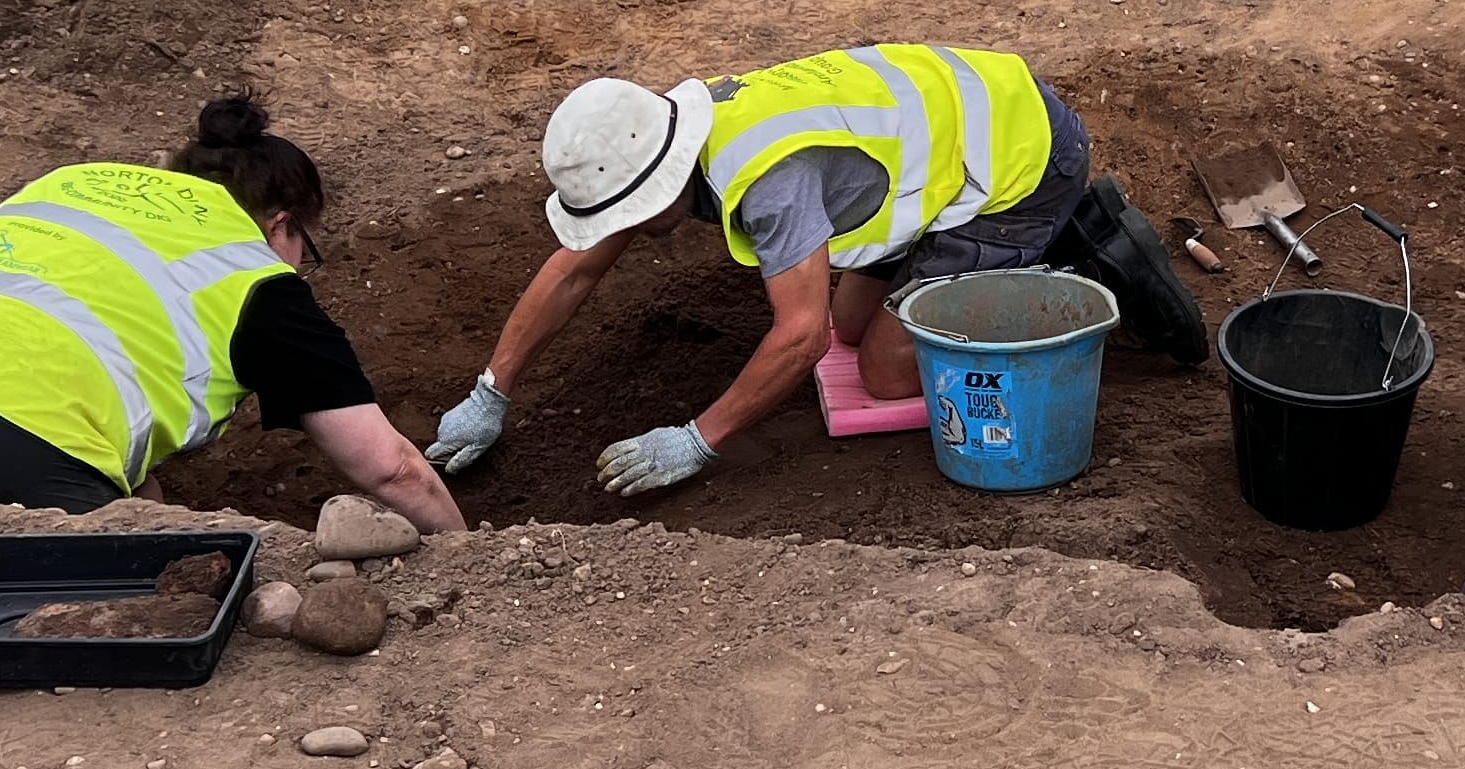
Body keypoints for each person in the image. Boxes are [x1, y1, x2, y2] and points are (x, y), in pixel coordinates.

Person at [428, 43, 1198, 498]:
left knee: (893, 373)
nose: (618, 236)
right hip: (935, 153)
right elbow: (574, 269)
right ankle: (954, 263)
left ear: (658, 186)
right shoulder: (665, 133)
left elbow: (799, 338)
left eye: (624, 216)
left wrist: (696, 441)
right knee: (855, 328)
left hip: (1017, 163)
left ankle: (1079, 242)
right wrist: (489, 392)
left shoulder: (769, 182)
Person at [0, 96, 465, 532]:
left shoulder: (73, 183)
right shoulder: (255, 280)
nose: (298, 266)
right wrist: (472, 558)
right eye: (303, 250)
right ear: (280, 224)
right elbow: (389, 470)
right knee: (167, 590)